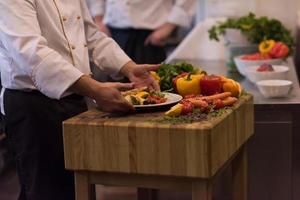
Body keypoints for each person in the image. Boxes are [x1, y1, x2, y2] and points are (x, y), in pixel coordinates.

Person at [0, 0, 159, 199]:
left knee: (73, 189)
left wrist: (128, 68)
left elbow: (91, 35)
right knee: (45, 191)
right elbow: (32, 53)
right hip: (33, 105)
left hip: (74, 98)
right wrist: (95, 90)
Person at [86, 0, 196, 64]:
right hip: (111, 32)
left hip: (149, 37)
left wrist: (169, 26)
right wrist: (98, 19)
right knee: (113, 93)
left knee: (152, 92)